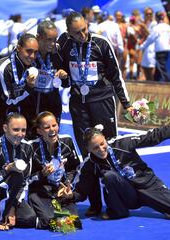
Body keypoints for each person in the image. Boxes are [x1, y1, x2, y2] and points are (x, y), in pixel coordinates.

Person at [63, 116, 170, 220]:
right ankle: (117, 212)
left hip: (148, 186)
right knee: (109, 177)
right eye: (95, 148)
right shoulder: (89, 164)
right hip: (128, 196)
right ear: (88, 149)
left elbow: (155, 136)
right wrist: (71, 196)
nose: (101, 149)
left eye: (102, 144)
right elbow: (81, 191)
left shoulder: (122, 143)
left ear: (105, 139)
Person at [58, 11, 132, 216]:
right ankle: (95, 204)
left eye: (84, 29)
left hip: (102, 101)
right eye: (77, 32)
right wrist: (63, 76)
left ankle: (117, 202)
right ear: (68, 32)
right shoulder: (63, 43)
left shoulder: (101, 43)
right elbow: (61, 74)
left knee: (109, 151)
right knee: (86, 154)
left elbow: (116, 75)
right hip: (78, 104)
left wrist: (126, 104)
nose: (83, 35)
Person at [28, 111, 81, 229]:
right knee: (49, 221)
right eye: (47, 127)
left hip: (59, 189)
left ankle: (54, 207)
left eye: (54, 125)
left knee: (73, 222)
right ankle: (31, 215)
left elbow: (75, 168)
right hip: (40, 190)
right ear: (39, 131)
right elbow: (26, 179)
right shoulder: (31, 147)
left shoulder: (67, 141)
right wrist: (42, 174)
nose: (52, 129)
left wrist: (68, 185)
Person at [0, 33, 38, 137]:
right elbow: (8, 101)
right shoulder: (3, 68)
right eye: (29, 51)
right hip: (2, 121)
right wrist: (28, 88)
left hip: (24, 121)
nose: (32, 56)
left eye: (35, 52)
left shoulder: (30, 65)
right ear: (18, 48)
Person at [31, 20, 68, 125]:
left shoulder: (58, 53)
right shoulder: (29, 53)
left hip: (53, 108)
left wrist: (64, 76)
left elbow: (67, 82)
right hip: (31, 109)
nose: (53, 44)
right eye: (49, 40)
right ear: (38, 37)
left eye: (55, 39)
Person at [140, 11, 170, 82]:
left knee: (162, 68)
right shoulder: (169, 28)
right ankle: (156, 82)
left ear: (156, 18)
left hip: (160, 50)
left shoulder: (156, 28)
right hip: (167, 50)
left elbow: (150, 39)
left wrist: (142, 46)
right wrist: (169, 46)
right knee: (158, 69)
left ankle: (169, 83)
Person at [141, 7, 157, 81]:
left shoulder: (154, 23)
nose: (149, 15)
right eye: (147, 14)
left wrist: (144, 28)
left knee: (151, 69)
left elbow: (152, 36)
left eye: (150, 14)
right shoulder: (147, 23)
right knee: (145, 68)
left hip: (152, 49)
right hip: (146, 48)